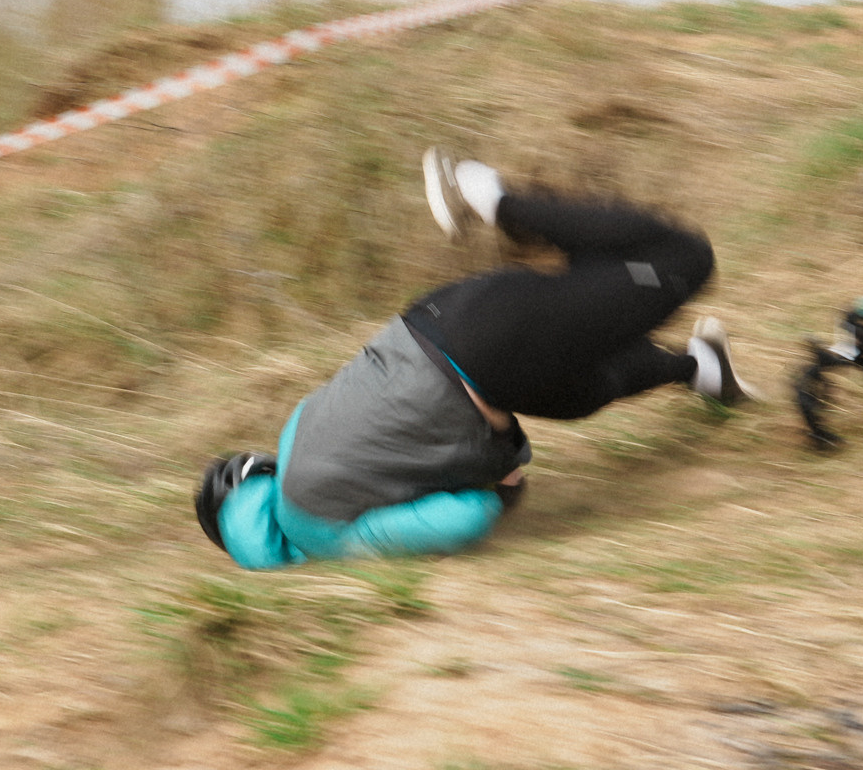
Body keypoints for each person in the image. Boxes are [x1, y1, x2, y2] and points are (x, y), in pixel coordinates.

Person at [194, 153, 752, 568]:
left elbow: (467, 517)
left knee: (685, 258)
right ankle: (699, 369)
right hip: (439, 320)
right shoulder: (294, 441)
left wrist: (498, 484)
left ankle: (494, 199)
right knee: (579, 388)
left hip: (487, 356)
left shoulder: (328, 540)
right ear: (256, 477)